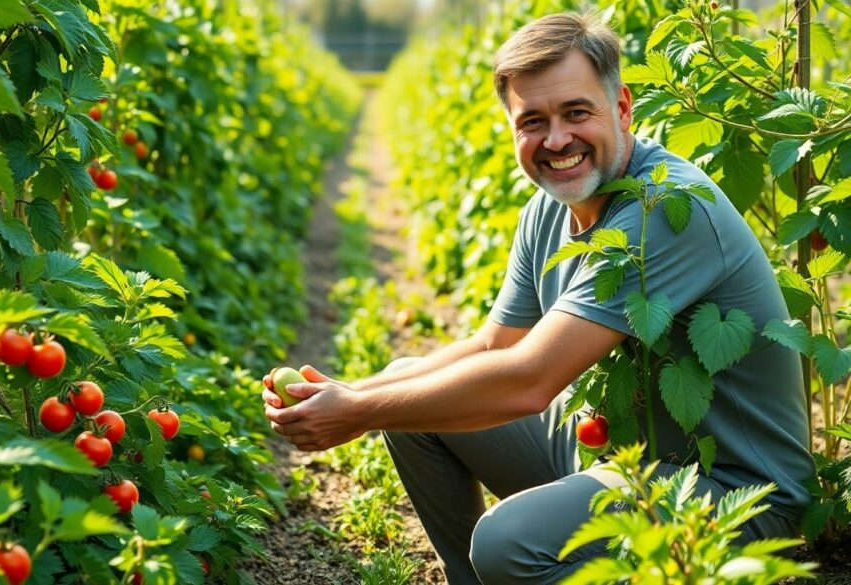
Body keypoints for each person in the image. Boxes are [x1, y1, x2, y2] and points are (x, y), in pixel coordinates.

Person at [261, 12, 813, 584]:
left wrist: (357, 413)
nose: (556, 140)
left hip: (730, 493)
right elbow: (494, 344)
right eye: (532, 121)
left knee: (507, 539)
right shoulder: (547, 210)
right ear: (511, 128)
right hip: (617, 454)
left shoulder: (665, 210)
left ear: (621, 108)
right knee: (411, 390)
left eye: (576, 112)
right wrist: (351, 393)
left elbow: (530, 381)